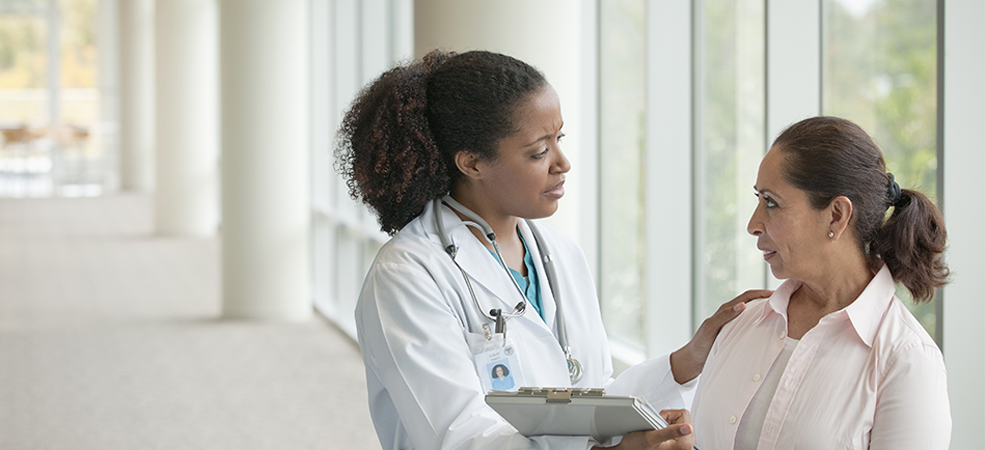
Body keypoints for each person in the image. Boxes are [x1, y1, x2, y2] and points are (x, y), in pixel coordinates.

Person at [340, 50, 768, 450]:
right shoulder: (407, 276)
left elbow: (591, 400)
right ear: (471, 163)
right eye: (539, 151)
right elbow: (463, 438)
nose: (562, 162)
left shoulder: (560, 255)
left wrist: (688, 359)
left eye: (559, 139)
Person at [689, 116, 951, 449]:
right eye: (758, 199)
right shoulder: (741, 323)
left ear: (836, 216)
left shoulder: (907, 361)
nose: (753, 224)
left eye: (771, 202)